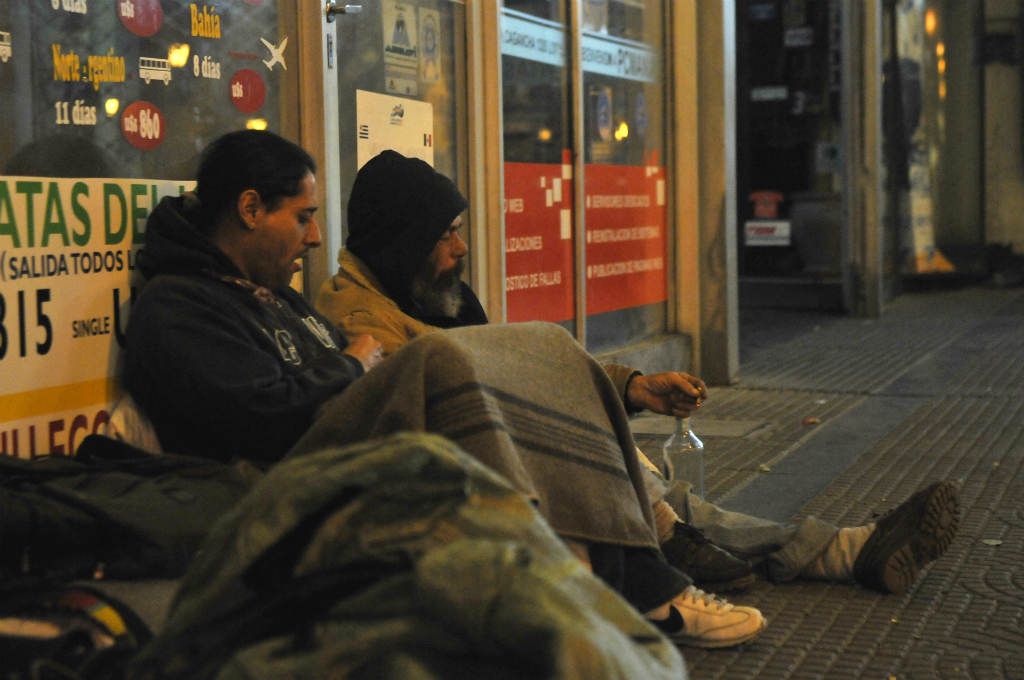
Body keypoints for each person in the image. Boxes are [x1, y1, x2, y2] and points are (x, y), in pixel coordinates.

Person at [122, 130, 766, 649]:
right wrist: (351, 363)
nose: (315, 237)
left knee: (536, 344)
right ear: (250, 208)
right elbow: (257, 416)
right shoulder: (176, 306)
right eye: (303, 217)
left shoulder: (275, 297)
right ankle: (643, 581)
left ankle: (619, 576)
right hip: (286, 477)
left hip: (348, 448)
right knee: (445, 361)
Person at [316, 149, 962, 598]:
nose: (460, 248)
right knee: (639, 482)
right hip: (477, 483)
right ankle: (825, 552)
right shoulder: (359, 316)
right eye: (445, 234)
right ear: (404, 239)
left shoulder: (420, 291)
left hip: (514, 457)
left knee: (661, 493)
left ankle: (840, 550)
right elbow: (480, 386)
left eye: (459, 230)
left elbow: (523, 365)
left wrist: (632, 386)